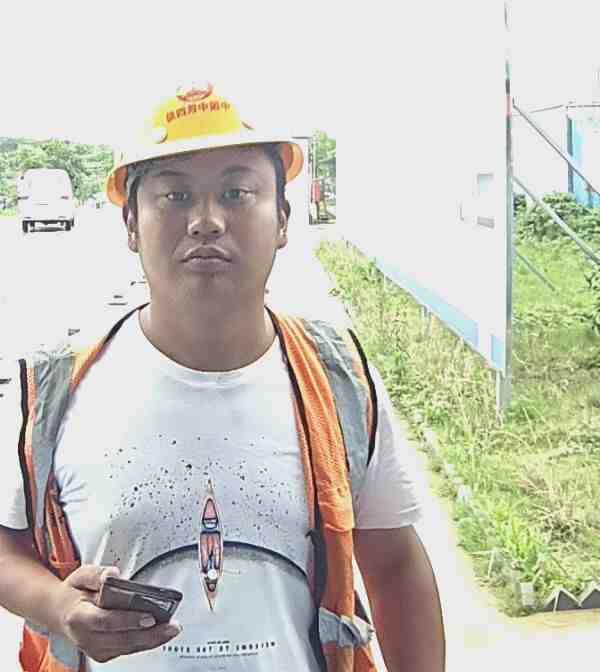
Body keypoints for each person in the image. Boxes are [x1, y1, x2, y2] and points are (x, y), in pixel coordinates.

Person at [0, 82, 445, 671]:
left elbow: (394, 563)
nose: (206, 221)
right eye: (175, 196)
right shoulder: (56, 389)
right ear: (131, 224)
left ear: (282, 219)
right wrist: (56, 605)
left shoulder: (338, 379)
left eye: (236, 193)